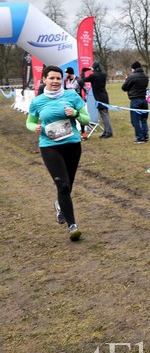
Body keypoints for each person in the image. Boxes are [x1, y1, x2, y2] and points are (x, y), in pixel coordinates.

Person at [26, 65, 90, 241]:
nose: (55, 81)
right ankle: (72, 226)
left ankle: (59, 204)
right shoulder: (37, 101)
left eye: (58, 78)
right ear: (44, 80)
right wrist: (35, 127)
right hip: (49, 146)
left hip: (72, 146)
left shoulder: (71, 96)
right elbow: (29, 122)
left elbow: (87, 119)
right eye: (51, 78)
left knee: (68, 185)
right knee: (62, 186)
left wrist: (76, 113)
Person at [81, 61, 113, 138]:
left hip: (99, 97)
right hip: (105, 95)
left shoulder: (93, 75)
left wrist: (83, 71)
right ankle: (106, 131)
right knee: (105, 114)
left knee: (103, 115)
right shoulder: (103, 74)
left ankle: (108, 132)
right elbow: (99, 72)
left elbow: (83, 79)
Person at [121, 61, 150, 143]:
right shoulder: (145, 76)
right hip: (144, 100)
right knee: (143, 119)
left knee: (135, 120)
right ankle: (145, 136)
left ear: (133, 69)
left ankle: (140, 137)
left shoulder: (131, 77)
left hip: (135, 100)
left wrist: (126, 80)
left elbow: (124, 87)